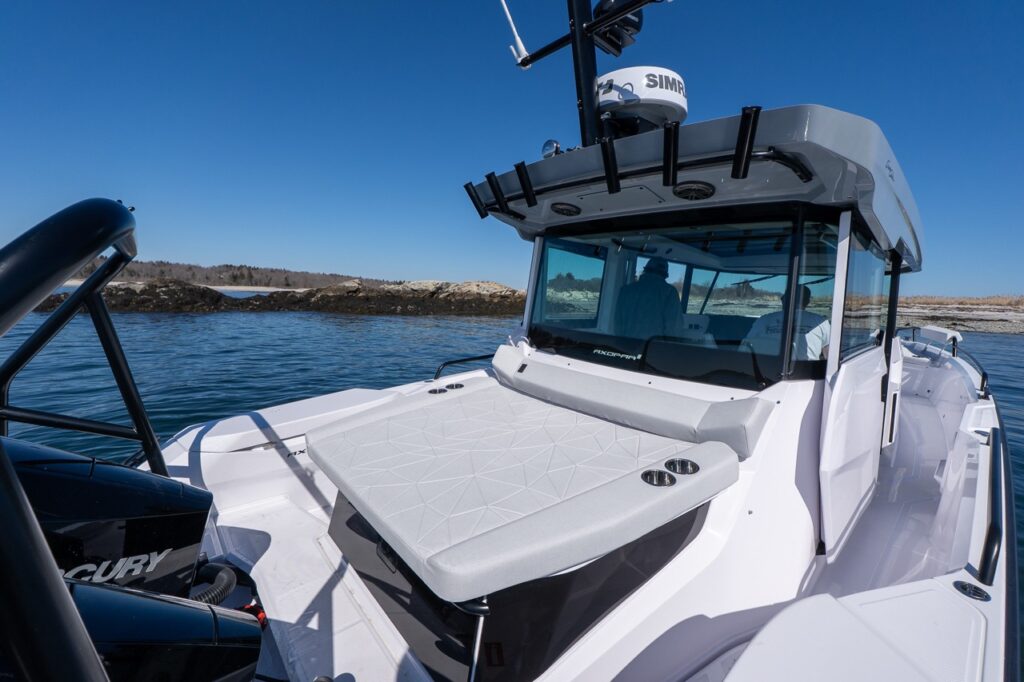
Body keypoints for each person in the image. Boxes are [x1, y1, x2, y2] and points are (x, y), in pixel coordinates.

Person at [743, 285, 830, 360]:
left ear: (783, 299)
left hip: (767, 369)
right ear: (808, 302)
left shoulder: (764, 320)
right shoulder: (821, 322)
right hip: (807, 371)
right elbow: (828, 354)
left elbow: (745, 348)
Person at [614, 257, 682, 340]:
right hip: (653, 346)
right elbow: (674, 329)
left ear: (646, 270)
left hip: (627, 344)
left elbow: (617, 324)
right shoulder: (670, 292)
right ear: (665, 274)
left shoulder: (626, 290)